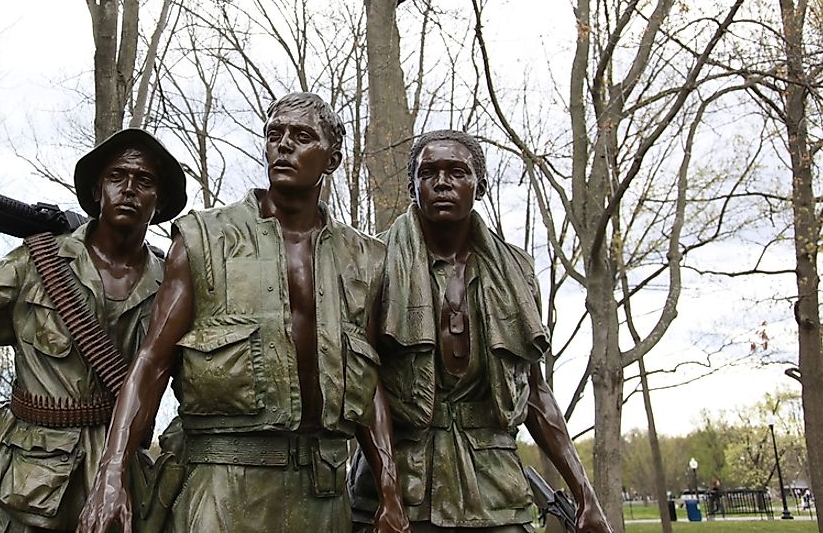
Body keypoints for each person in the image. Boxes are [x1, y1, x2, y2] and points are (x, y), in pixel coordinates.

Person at [79, 92, 410, 533]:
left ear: (331, 159)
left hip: (323, 494)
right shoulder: (206, 238)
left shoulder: (365, 259)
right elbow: (152, 362)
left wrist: (390, 491)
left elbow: (368, 388)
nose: (284, 145)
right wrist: (112, 472)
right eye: (275, 134)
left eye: (302, 136)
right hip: (223, 486)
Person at [0, 129, 188, 533]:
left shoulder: (174, 286)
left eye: (145, 181)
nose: (130, 189)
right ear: (97, 190)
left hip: (126, 491)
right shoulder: (36, 264)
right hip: (30, 490)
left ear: (162, 201)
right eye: (117, 176)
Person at [349, 130, 611, 533]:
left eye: (457, 172)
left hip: (495, 487)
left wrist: (584, 494)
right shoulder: (374, 263)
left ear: (481, 186)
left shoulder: (517, 272)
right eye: (428, 173)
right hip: (404, 484)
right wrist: (388, 494)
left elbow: (535, 393)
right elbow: (365, 386)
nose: (441, 183)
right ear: (412, 186)